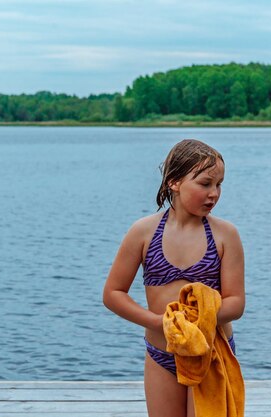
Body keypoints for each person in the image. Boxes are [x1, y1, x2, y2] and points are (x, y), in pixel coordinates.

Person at [103, 139, 245, 417]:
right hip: (161, 354)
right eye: (205, 184)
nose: (214, 194)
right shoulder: (143, 232)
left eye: (219, 185)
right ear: (174, 182)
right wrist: (160, 322)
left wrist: (200, 316)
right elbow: (113, 294)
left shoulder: (225, 235)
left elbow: (236, 303)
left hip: (210, 353)